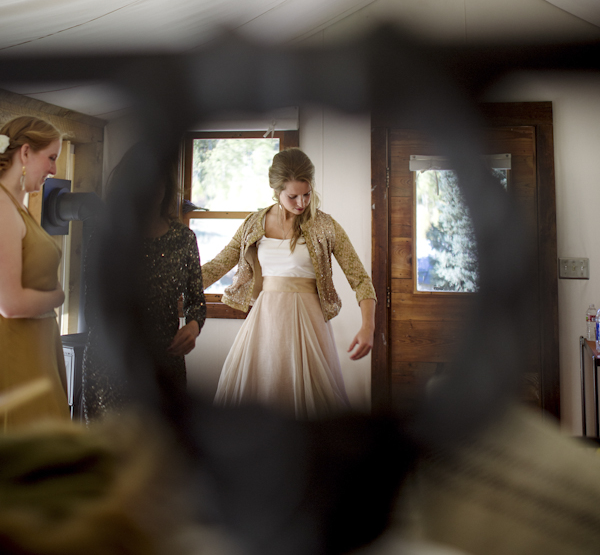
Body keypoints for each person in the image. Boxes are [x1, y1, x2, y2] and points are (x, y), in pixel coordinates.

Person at [202, 147, 376, 418]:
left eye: (306, 194)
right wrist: (178, 284)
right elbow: (217, 265)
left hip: (309, 322)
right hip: (265, 323)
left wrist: (368, 326)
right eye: (292, 196)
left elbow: (361, 279)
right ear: (276, 191)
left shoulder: (325, 225)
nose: (301, 203)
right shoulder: (253, 224)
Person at [82, 146, 206, 420]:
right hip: (112, 363)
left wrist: (194, 326)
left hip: (165, 361)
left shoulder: (183, 239)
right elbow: (92, 307)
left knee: (162, 450)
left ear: (166, 187)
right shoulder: (107, 237)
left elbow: (196, 300)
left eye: (156, 183)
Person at [0, 116, 69, 428]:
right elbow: (10, 304)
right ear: (25, 153)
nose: (54, 170)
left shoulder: (18, 205)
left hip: (39, 346)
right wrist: (57, 296)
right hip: (18, 351)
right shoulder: (2, 207)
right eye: (51, 157)